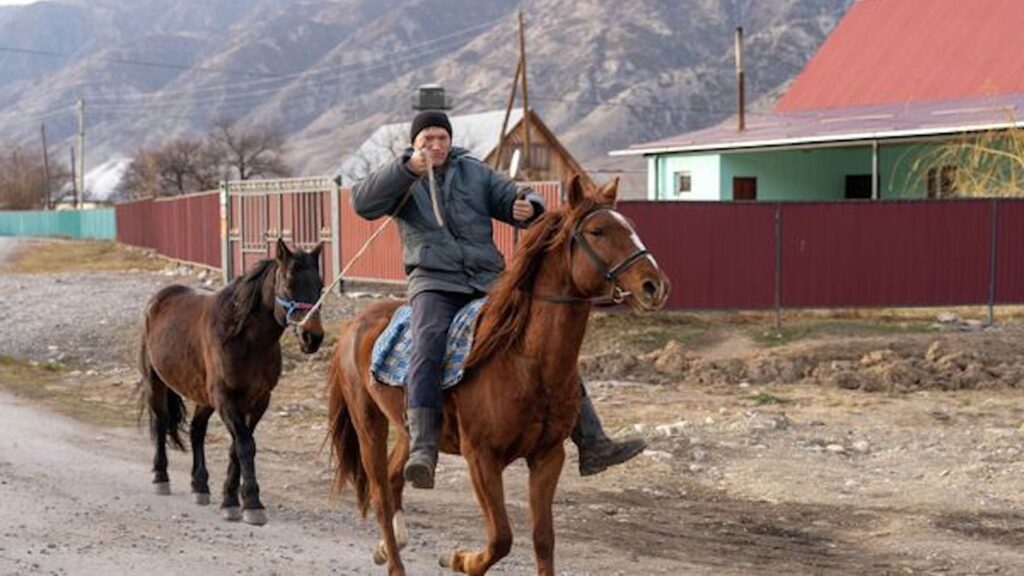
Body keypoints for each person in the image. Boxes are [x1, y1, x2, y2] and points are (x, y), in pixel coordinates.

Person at [351, 110, 645, 489]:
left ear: (450, 140)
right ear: (416, 143)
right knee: (428, 343)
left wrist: (528, 205)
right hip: (434, 282)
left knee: (546, 344)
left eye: (442, 138)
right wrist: (406, 169)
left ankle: (593, 441)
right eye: (428, 139)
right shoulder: (403, 178)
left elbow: (511, 194)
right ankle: (423, 445)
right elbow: (362, 202)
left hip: (488, 279)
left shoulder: (473, 172)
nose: (436, 145)